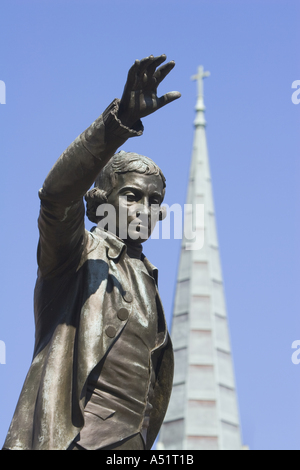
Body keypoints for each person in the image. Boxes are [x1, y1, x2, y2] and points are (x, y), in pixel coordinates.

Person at [3, 55, 181, 451]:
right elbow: (54, 196)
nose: (144, 209)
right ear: (100, 201)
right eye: (132, 196)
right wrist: (116, 128)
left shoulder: (148, 277)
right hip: (77, 439)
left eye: (154, 202)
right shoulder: (76, 255)